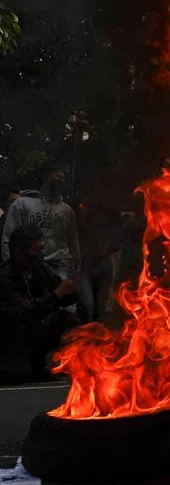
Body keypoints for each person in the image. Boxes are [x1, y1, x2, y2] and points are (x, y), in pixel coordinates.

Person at [1, 164, 86, 320]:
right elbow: (8, 236)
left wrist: (76, 266)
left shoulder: (66, 210)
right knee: (33, 310)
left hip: (58, 264)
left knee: (68, 310)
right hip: (28, 265)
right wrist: (12, 266)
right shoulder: (23, 204)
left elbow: (73, 241)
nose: (61, 179)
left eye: (63, 177)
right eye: (57, 175)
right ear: (46, 176)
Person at [0, 225, 80, 384]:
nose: (41, 254)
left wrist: (71, 288)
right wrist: (57, 295)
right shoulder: (5, 276)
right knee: (17, 376)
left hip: (35, 328)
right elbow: (24, 313)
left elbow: (63, 293)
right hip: (12, 336)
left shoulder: (40, 268)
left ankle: (46, 363)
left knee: (70, 320)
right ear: (21, 252)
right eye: (37, 250)